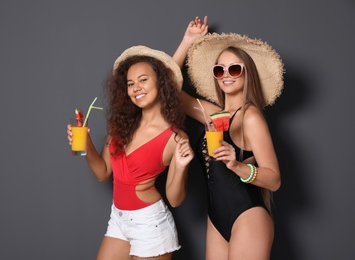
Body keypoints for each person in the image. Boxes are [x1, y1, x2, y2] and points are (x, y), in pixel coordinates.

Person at [67, 45, 194, 259]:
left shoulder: (174, 137)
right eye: (130, 83)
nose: (136, 88)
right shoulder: (122, 126)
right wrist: (86, 143)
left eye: (143, 80)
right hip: (119, 218)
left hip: (150, 225)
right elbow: (102, 172)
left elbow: (175, 199)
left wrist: (181, 167)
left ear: (160, 82)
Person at [172, 17, 284, 259]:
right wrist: (187, 41)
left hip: (248, 216)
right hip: (216, 218)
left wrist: (237, 166)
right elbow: (168, 91)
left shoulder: (251, 117)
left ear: (247, 73)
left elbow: (274, 180)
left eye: (234, 69)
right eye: (219, 69)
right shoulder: (213, 114)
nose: (226, 75)